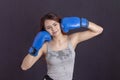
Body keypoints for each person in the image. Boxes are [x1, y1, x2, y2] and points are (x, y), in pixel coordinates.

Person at [21, 12, 103, 80]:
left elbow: (99, 30)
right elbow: (24, 66)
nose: (53, 29)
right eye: (49, 27)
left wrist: (81, 22)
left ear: (60, 23)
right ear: (45, 31)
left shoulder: (72, 39)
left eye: (55, 24)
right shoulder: (44, 46)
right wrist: (35, 47)